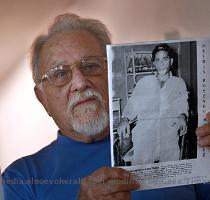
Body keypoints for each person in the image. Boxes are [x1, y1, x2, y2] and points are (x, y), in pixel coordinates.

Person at [2, 13, 210, 200]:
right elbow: (135, 103)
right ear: (42, 99)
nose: (80, 82)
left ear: (109, 74)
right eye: (60, 74)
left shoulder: (194, 152)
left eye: (91, 66)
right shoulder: (20, 180)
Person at [118, 43, 189, 165]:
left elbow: (182, 102)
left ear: (171, 61)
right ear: (154, 63)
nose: (161, 63)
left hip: (169, 129)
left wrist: (182, 116)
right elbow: (133, 103)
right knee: (141, 166)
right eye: (158, 60)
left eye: (165, 59)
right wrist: (125, 118)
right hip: (145, 131)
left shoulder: (178, 83)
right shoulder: (144, 82)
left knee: (170, 165)